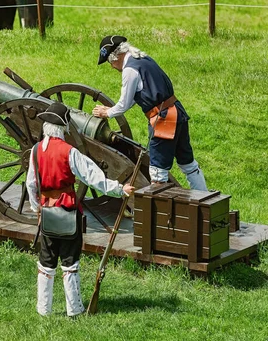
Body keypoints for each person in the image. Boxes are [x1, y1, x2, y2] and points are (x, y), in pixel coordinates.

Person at [26, 102, 135, 317]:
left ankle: (43, 309)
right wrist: (120, 189)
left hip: (47, 212)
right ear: (64, 128)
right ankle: (74, 309)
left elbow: (31, 184)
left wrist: (37, 209)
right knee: (70, 262)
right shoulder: (70, 152)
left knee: (46, 262)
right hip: (67, 211)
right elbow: (94, 178)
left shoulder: (35, 151)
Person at [92, 35, 207, 190]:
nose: (112, 66)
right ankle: (204, 198)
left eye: (110, 62)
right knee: (188, 164)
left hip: (164, 119)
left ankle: (160, 211)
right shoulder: (144, 59)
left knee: (158, 173)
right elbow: (137, 95)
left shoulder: (129, 70)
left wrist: (107, 113)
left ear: (116, 56)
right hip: (177, 112)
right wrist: (111, 110)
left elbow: (125, 103)